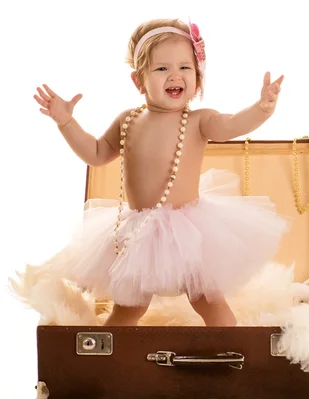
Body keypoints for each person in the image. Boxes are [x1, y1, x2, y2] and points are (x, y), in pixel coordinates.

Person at [31, 18, 289, 327]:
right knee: (128, 308)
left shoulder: (199, 121)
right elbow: (96, 154)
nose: (175, 75)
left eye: (185, 68)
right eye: (162, 69)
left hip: (190, 229)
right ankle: (110, 361)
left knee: (208, 300)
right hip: (138, 231)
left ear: (198, 78)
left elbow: (232, 125)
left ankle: (227, 355)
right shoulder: (128, 120)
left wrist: (261, 108)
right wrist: (66, 123)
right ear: (138, 82)